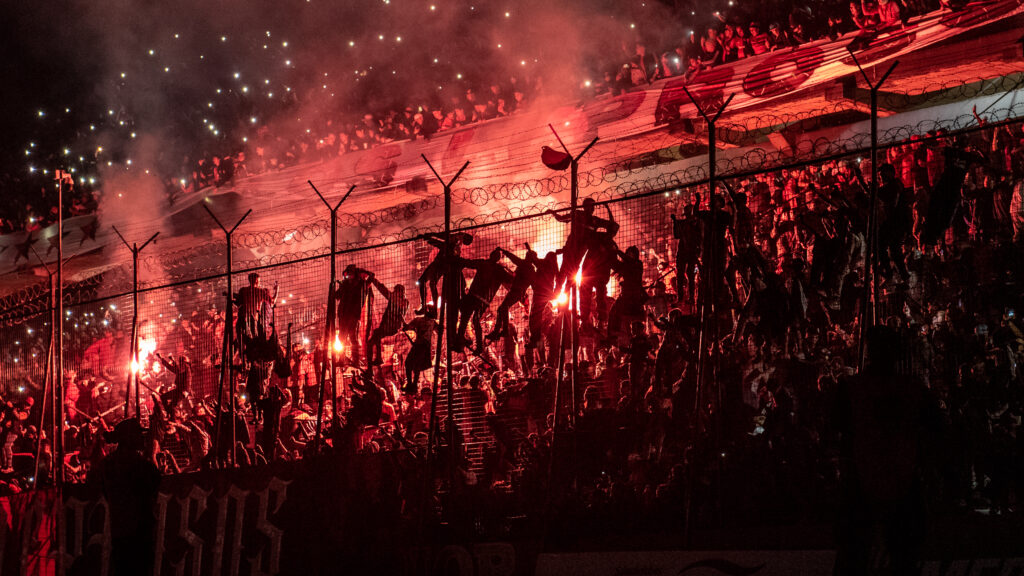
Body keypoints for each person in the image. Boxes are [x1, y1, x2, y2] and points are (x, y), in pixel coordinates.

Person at [832, 327, 943, 576]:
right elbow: (938, 430)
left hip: (864, 483)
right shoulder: (913, 390)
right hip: (901, 481)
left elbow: (835, 431)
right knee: (903, 558)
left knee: (856, 557)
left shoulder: (852, 389)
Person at [90, 418, 161, 576]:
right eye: (138, 435)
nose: (141, 438)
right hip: (139, 533)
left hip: (117, 531)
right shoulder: (140, 465)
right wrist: (150, 456)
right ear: (129, 438)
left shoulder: (107, 464)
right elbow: (156, 483)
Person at [456, 248, 513, 355]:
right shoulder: (500, 270)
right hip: (483, 301)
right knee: (475, 320)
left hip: (473, 296)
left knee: (465, 318)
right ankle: (478, 347)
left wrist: (456, 259)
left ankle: (460, 342)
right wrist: (509, 270)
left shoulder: (484, 263)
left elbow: (468, 263)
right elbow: (512, 280)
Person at [367, 276, 409, 367]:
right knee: (375, 335)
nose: (393, 292)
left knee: (372, 340)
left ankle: (378, 359)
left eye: (395, 291)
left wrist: (373, 280)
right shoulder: (405, 302)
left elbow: (382, 289)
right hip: (393, 327)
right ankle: (378, 358)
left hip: (389, 327)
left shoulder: (395, 299)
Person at [233, 273, 277, 355]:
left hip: (243, 317)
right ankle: (250, 359)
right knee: (253, 340)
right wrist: (276, 290)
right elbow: (272, 302)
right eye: (258, 281)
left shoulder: (243, 290)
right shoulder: (261, 291)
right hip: (253, 319)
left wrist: (231, 299)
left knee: (241, 339)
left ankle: (242, 358)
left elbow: (238, 304)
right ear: (257, 281)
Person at [403, 306, 438, 395]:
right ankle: (413, 385)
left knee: (408, 364)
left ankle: (411, 385)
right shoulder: (433, 322)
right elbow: (440, 331)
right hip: (426, 346)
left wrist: (405, 325)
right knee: (417, 366)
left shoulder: (418, 320)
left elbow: (407, 327)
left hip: (419, 344)